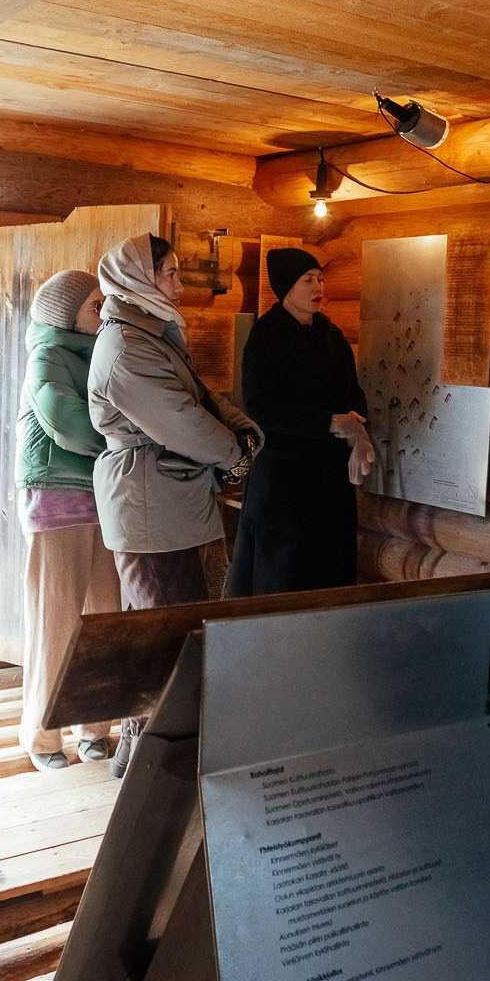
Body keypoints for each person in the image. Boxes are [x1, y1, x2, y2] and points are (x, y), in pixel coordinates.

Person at [88, 234, 260, 775]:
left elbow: (201, 400)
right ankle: (154, 772)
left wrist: (244, 433)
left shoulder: (154, 335)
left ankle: (150, 758)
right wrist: (234, 456)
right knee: (166, 639)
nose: (180, 285)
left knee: (177, 631)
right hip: (149, 507)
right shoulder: (125, 349)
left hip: (174, 500)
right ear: (138, 278)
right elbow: (182, 422)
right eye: (170, 273)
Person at [16, 269, 119, 770]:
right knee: (55, 622)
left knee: (102, 619)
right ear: (65, 314)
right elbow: (68, 422)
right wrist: (128, 446)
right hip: (57, 501)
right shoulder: (48, 356)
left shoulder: (101, 352)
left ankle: (95, 728)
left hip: (105, 498)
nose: (102, 312)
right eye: (93, 305)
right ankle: (44, 736)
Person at [227, 247, 373, 597]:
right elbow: (262, 406)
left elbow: (352, 391)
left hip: (329, 476)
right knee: (284, 576)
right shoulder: (266, 336)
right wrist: (327, 422)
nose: (317, 286)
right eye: (307, 280)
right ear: (286, 287)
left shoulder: (331, 335)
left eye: (320, 279)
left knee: (331, 570)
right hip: (283, 479)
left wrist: (357, 430)